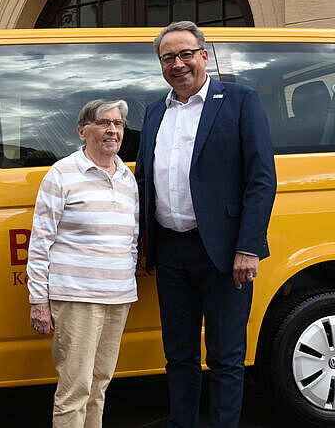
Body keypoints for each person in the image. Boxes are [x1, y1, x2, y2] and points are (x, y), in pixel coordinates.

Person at [135, 21, 276, 428]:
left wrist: (248, 247)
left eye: (185, 54)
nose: (177, 64)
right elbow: (146, 179)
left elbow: (261, 178)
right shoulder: (154, 111)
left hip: (224, 251)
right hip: (171, 250)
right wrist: (144, 246)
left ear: (204, 55)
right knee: (178, 355)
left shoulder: (238, 100)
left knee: (226, 356)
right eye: (168, 57)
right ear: (161, 64)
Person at [27, 98, 140, 428]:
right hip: (77, 296)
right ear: (82, 131)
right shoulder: (62, 174)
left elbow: (131, 239)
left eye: (118, 124)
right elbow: (40, 242)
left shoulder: (127, 177)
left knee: (100, 384)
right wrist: (38, 301)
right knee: (74, 388)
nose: (112, 130)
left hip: (118, 296)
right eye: (104, 123)